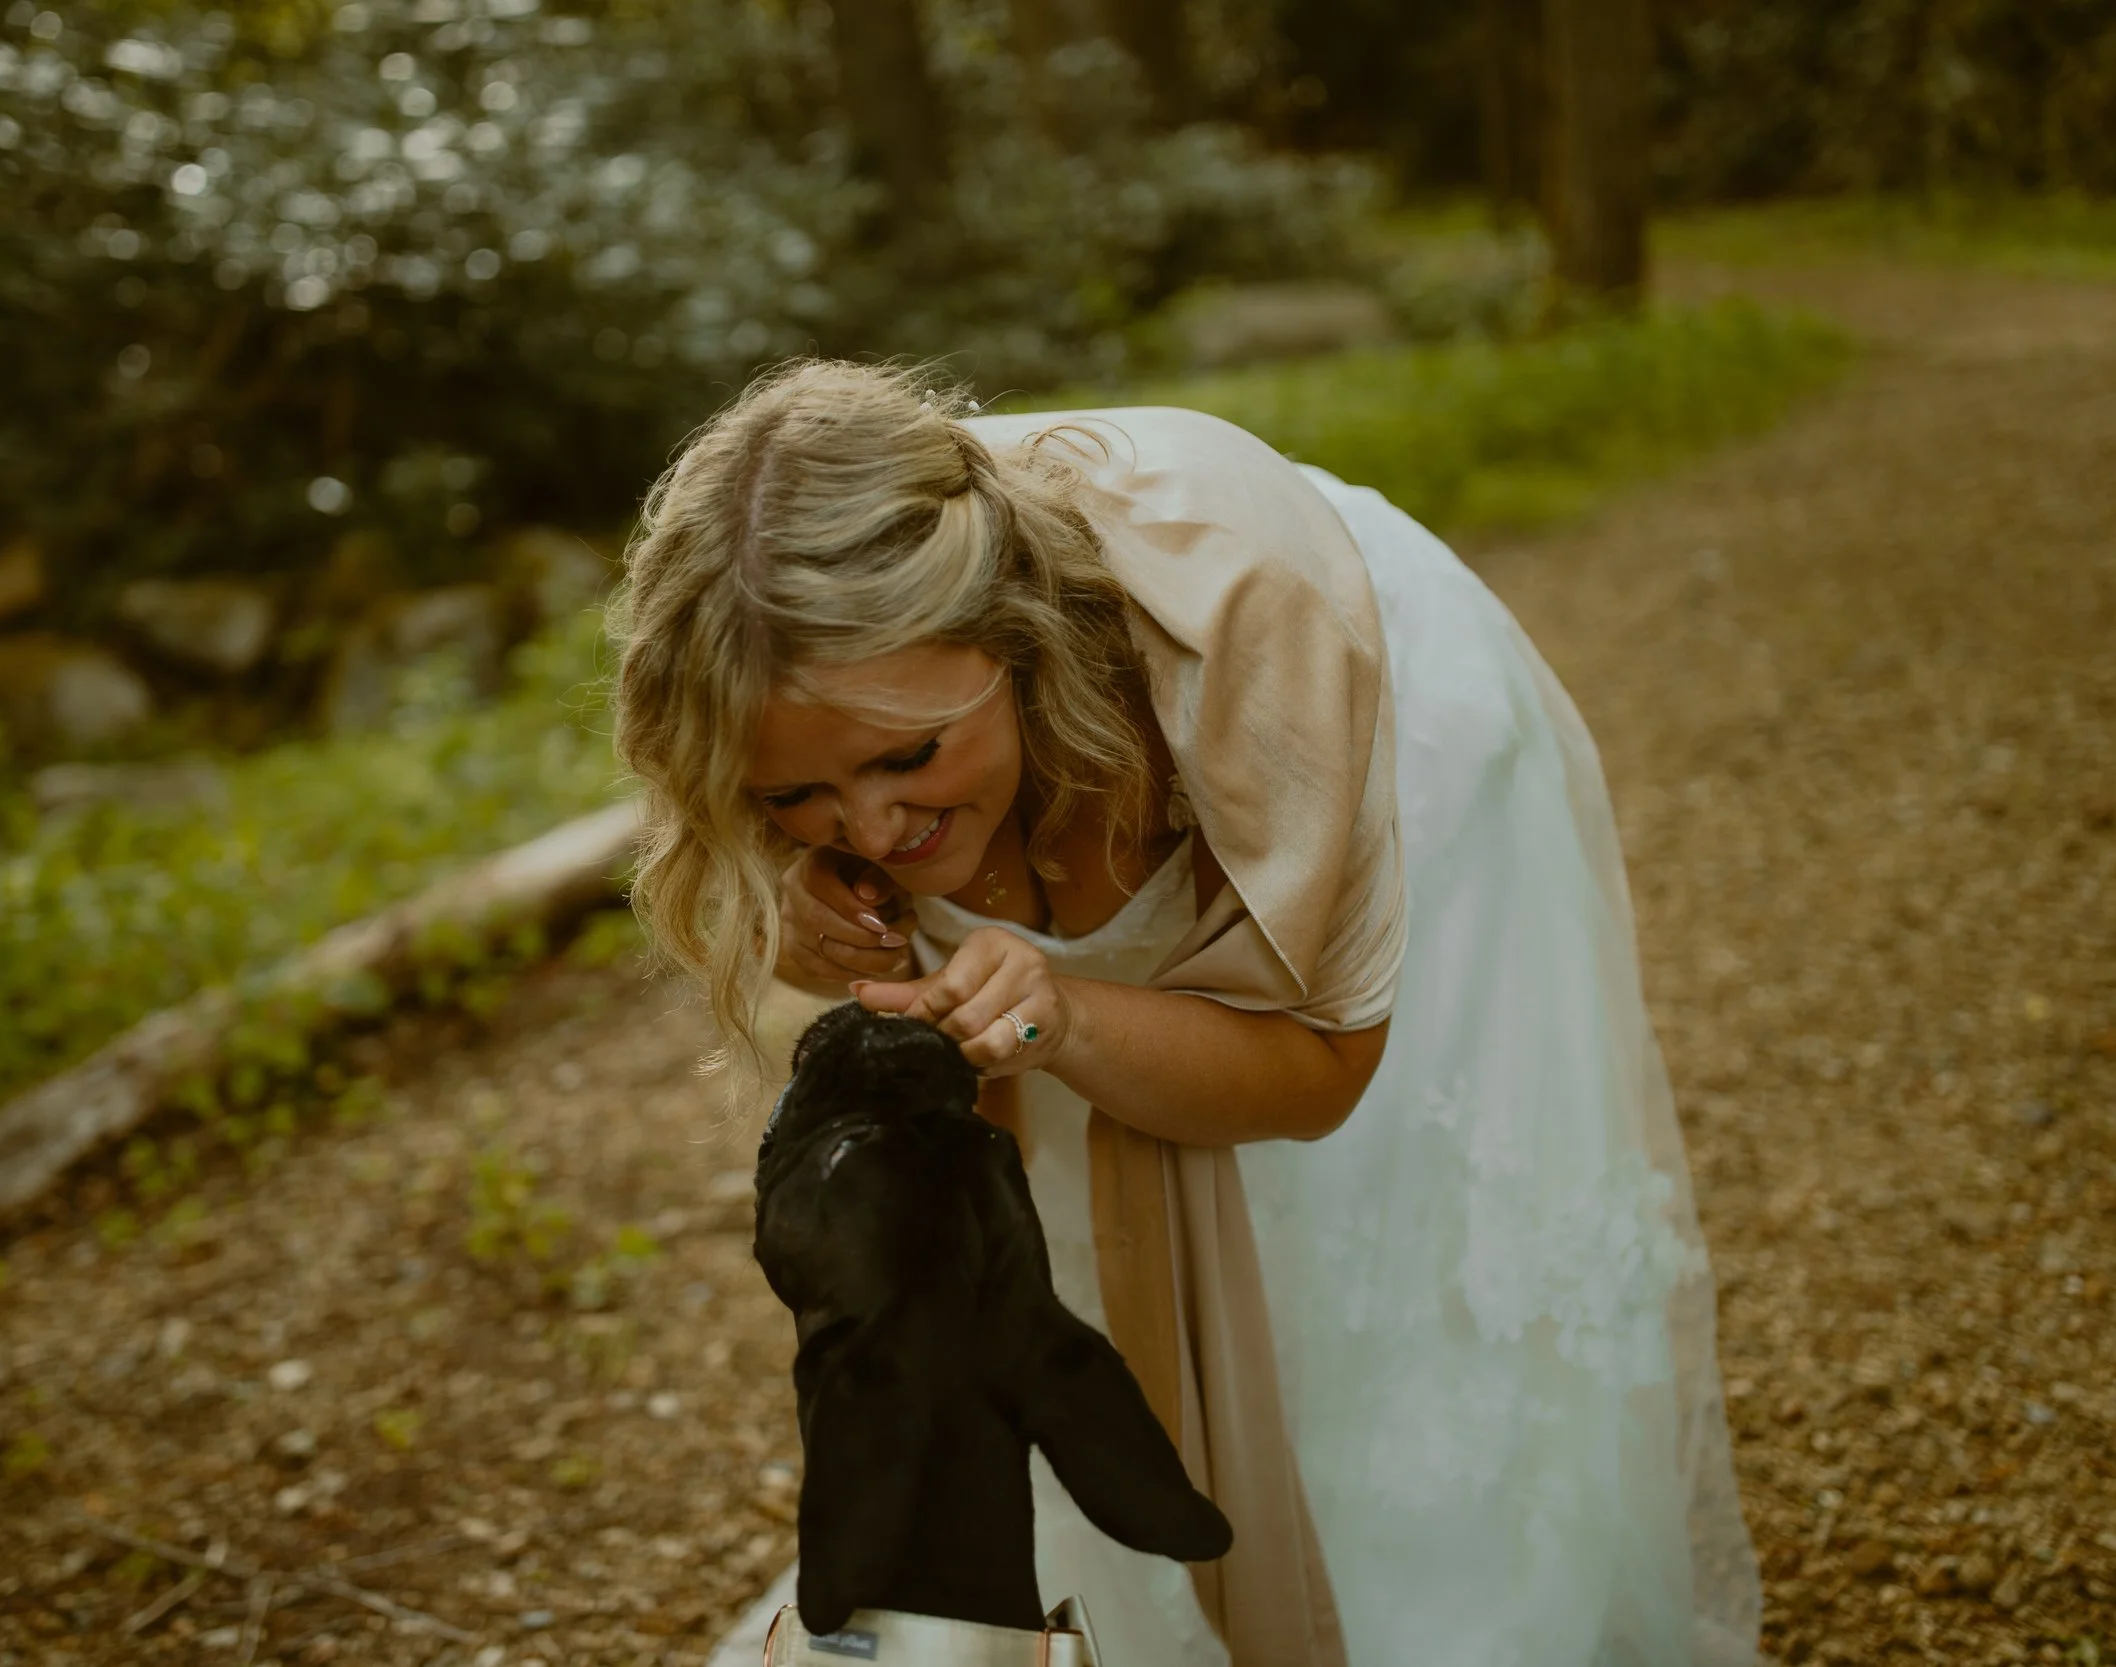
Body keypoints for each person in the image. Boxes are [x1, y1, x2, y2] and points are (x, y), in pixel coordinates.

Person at [611, 360, 1761, 1667]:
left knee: (1384, 1214)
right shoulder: (792, 682)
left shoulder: (1254, 636)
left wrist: (1069, 1017)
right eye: (794, 795)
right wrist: (797, 895)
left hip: (1348, 718)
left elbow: (1323, 1071)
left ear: (1010, 642)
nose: (872, 827)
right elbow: (848, 915)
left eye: (910, 759)